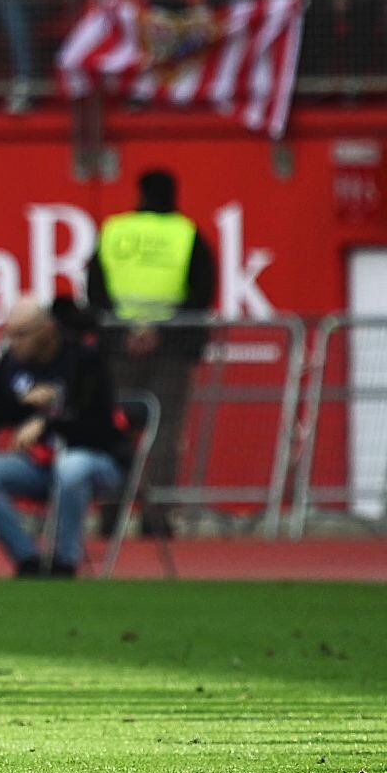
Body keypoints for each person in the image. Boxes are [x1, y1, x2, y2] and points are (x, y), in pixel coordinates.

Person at [86, 169, 216, 538]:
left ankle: (110, 515)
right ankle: (156, 517)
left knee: (112, 427)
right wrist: (159, 331)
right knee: (165, 429)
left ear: (139, 193)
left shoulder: (114, 232)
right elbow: (202, 294)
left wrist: (125, 330)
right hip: (170, 349)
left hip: (117, 348)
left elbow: (94, 289)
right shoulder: (187, 235)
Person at [0, 297, 126, 578]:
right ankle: (27, 559)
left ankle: (64, 562)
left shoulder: (82, 360)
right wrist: (22, 404)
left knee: (71, 466)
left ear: (44, 330)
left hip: (94, 462)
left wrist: (48, 423)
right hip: (40, 466)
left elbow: (101, 429)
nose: (13, 342)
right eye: (8, 334)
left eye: (20, 334)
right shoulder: (12, 363)